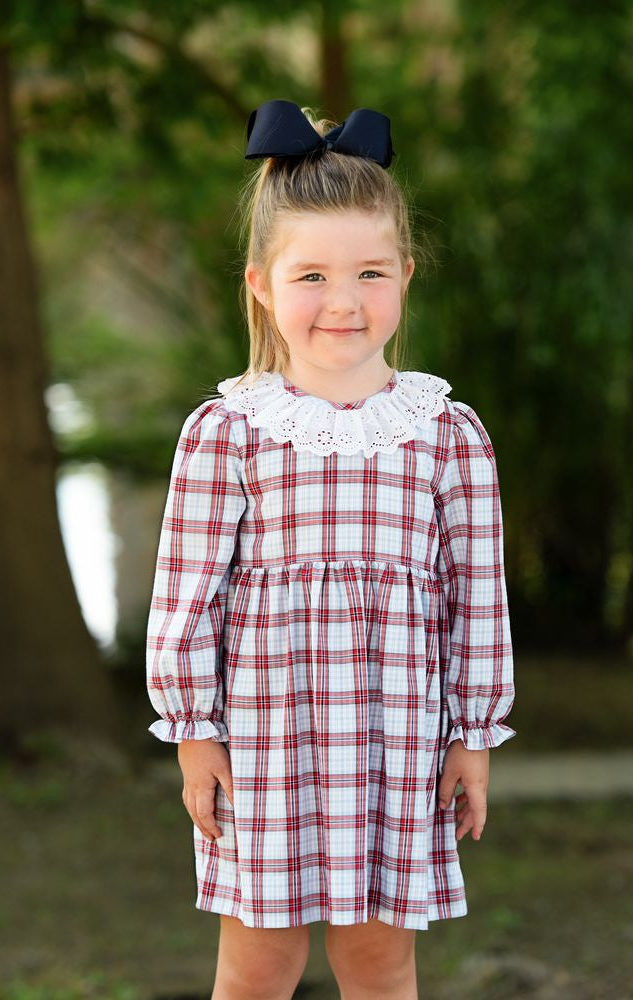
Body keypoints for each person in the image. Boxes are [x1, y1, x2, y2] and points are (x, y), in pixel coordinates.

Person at [145, 98, 516, 1000]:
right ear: (261, 285)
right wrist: (194, 733)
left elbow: (476, 595)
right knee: (260, 961)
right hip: (268, 738)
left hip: (395, 743)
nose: (344, 302)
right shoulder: (229, 431)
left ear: (407, 276)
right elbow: (187, 592)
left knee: (379, 959)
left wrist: (474, 736)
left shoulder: (445, 433)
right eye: (311, 276)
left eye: (370, 273)